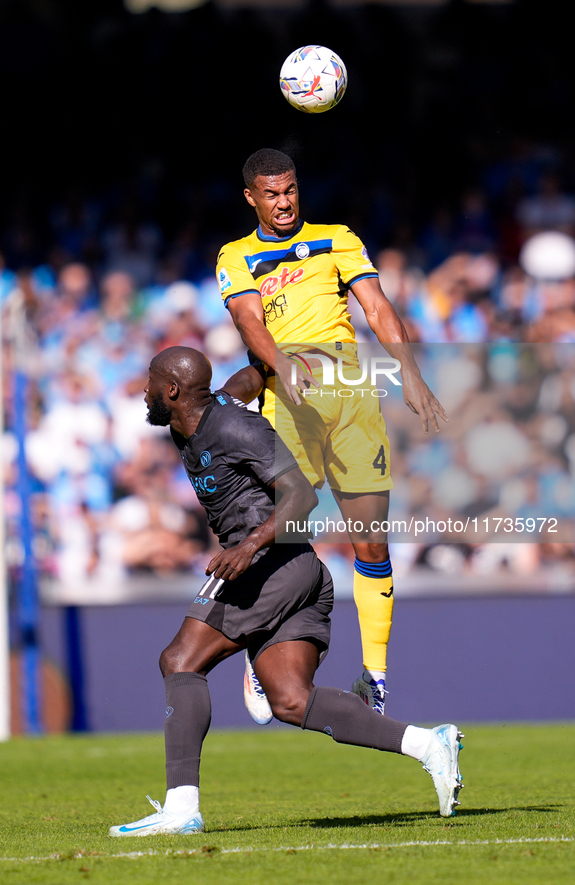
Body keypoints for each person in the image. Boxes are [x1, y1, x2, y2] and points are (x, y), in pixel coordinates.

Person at [109, 346, 464, 837]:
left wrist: (247, 548)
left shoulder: (237, 428)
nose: (143, 391)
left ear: (171, 390)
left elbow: (302, 494)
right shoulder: (195, 418)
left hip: (268, 565)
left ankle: (181, 807)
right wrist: (266, 357)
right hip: (297, 570)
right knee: (292, 701)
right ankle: (429, 744)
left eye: (149, 382)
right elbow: (243, 384)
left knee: (179, 661)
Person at [216, 148, 447, 717]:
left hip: (351, 402)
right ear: (251, 197)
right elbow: (248, 320)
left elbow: (377, 305)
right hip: (289, 403)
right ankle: (259, 651)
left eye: (290, 190)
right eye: (271, 194)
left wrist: (410, 375)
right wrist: (282, 364)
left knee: (370, 541)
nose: (284, 202)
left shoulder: (338, 237)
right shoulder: (236, 255)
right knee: (283, 534)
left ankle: (375, 674)